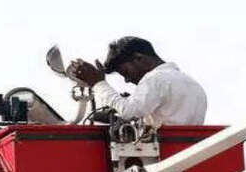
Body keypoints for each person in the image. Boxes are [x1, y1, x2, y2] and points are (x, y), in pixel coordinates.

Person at [66, 36, 207, 126]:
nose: (127, 80)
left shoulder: (154, 79)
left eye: (126, 72)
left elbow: (129, 112)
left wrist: (98, 83)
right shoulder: (192, 84)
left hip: (163, 155)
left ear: (139, 58)